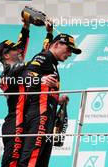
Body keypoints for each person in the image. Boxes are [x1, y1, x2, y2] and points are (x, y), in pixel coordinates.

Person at [0, 18, 57, 167]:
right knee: (11, 162)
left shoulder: (20, 68)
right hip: (14, 123)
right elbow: (39, 59)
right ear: (6, 55)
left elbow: (43, 55)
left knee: (25, 162)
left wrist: (29, 26)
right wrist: (40, 76)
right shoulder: (6, 75)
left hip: (26, 122)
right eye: (15, 49)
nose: (20, 50)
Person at [18, 33, 81, 167]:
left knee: (42, 160)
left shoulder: (53, 63)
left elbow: (43, 90)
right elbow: (25, 74)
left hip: (47, 117)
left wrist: (57, 99)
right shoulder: (44, 56)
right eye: (68, 49)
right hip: (39, 116)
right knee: (31, 158)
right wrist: (41, 79)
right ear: (56, 44)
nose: (70, 54)